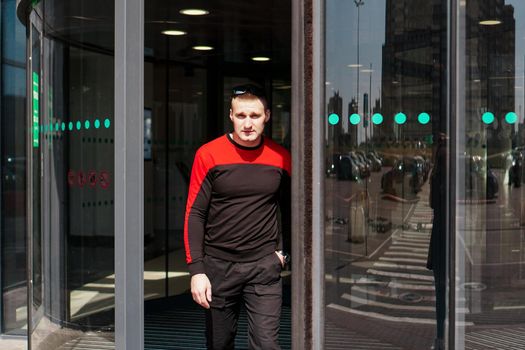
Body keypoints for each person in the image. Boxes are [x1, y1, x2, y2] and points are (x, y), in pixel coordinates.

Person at [184, 84, 291, 350]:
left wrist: (283, 254)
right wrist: (197, 271)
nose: (247, 123)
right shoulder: (208, 154)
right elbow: (195, 213)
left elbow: (292, 211)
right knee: (220, 344)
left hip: (263, 268)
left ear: (266, 115)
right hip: (218, 268)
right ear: (230, 116)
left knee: (266, 344)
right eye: (241, 115)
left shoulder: (281, 158)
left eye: (254, 116)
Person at [427, 132, 447, 350]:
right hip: (447, 233)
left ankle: (441, 336)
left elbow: (432, 202)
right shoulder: (449, 169)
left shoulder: (436, 171)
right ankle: (443, 336)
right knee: (446, 289)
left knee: (440, 289)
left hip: (439, 233)